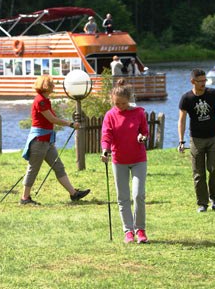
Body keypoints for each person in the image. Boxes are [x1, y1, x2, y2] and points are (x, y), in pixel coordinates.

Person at [20, 75, 90, 205]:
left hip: (47, 141)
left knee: (58, 167)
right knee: (33, 169)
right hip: (39, 141)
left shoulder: (45, 100)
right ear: (46, 86)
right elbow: (52, 119)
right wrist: (70, 124)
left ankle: (74, 194)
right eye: (52, 84)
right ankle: (25, 198)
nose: (54, 86)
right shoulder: (40, 101)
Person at [101, 80, 149, 244]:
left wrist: (142, 136)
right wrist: (105, 150)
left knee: (138, 195)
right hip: (119, 160)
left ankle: (140, 230)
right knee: (123, 197)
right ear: (112, 101)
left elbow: (144, 131)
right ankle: (128, 231)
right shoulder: (110, 115)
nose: (120, 106)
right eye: (116, 103)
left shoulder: (138, 113)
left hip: (138, 159)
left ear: (129, 99)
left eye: (123, 103)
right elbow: (106, 135)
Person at [178, 68, 215, 212]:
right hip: (196, 140)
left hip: (213, 137)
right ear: (192, 81)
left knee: (214, 169)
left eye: (204, 80)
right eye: (200, 81)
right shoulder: (186, 98)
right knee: (198, 173)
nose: (203, 83)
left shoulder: (212, 94)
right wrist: (181, 141)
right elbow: (181, 121)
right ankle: (202, 203)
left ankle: (214, 197)